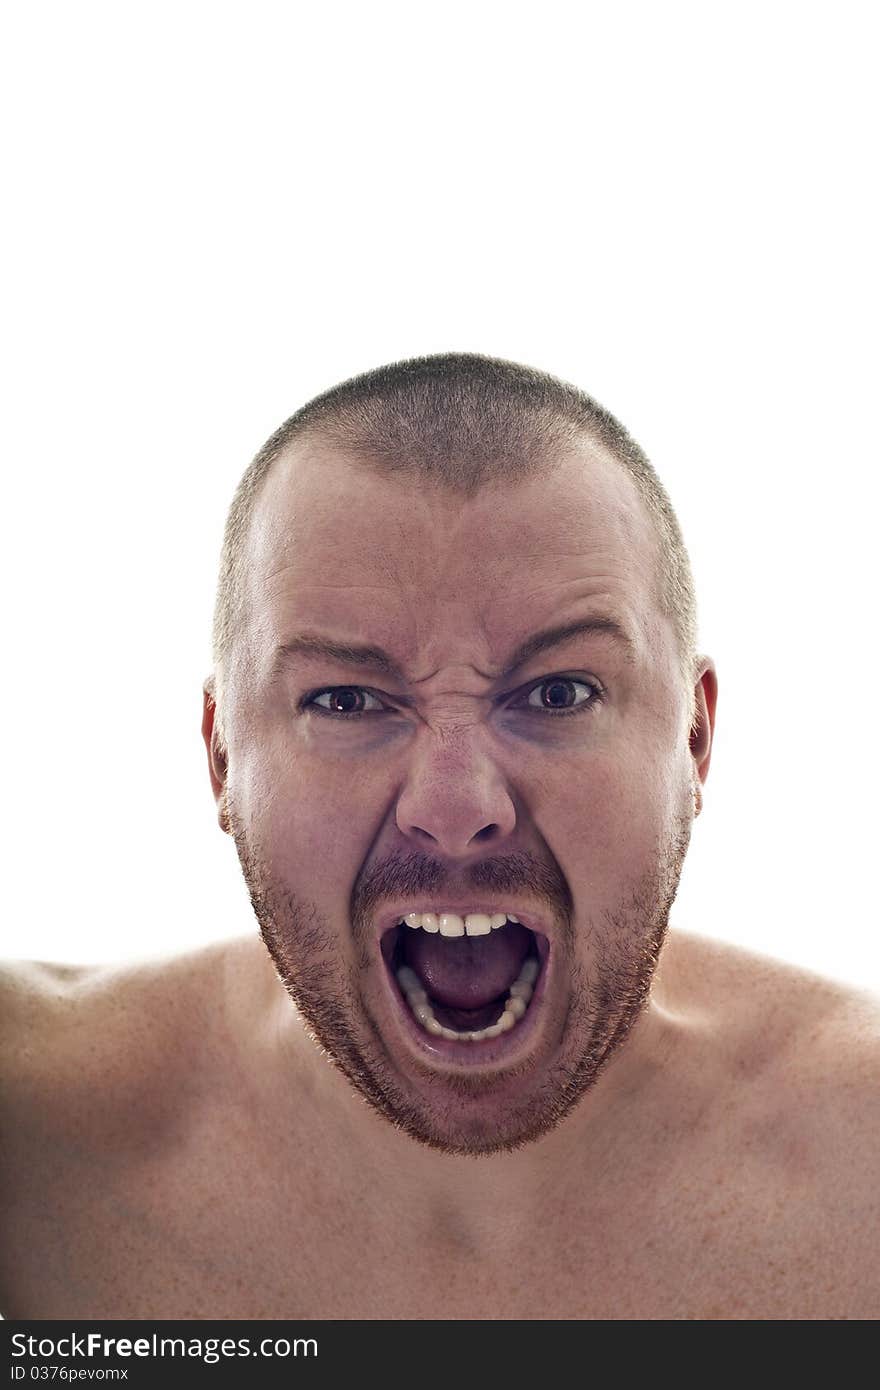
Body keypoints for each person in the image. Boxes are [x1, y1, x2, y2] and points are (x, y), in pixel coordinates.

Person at [2, 353, 877, 1321]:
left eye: (559, 692)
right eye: (344, 699)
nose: (456, 805)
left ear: (694, 738)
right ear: (220, 757)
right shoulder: (29, 1132)